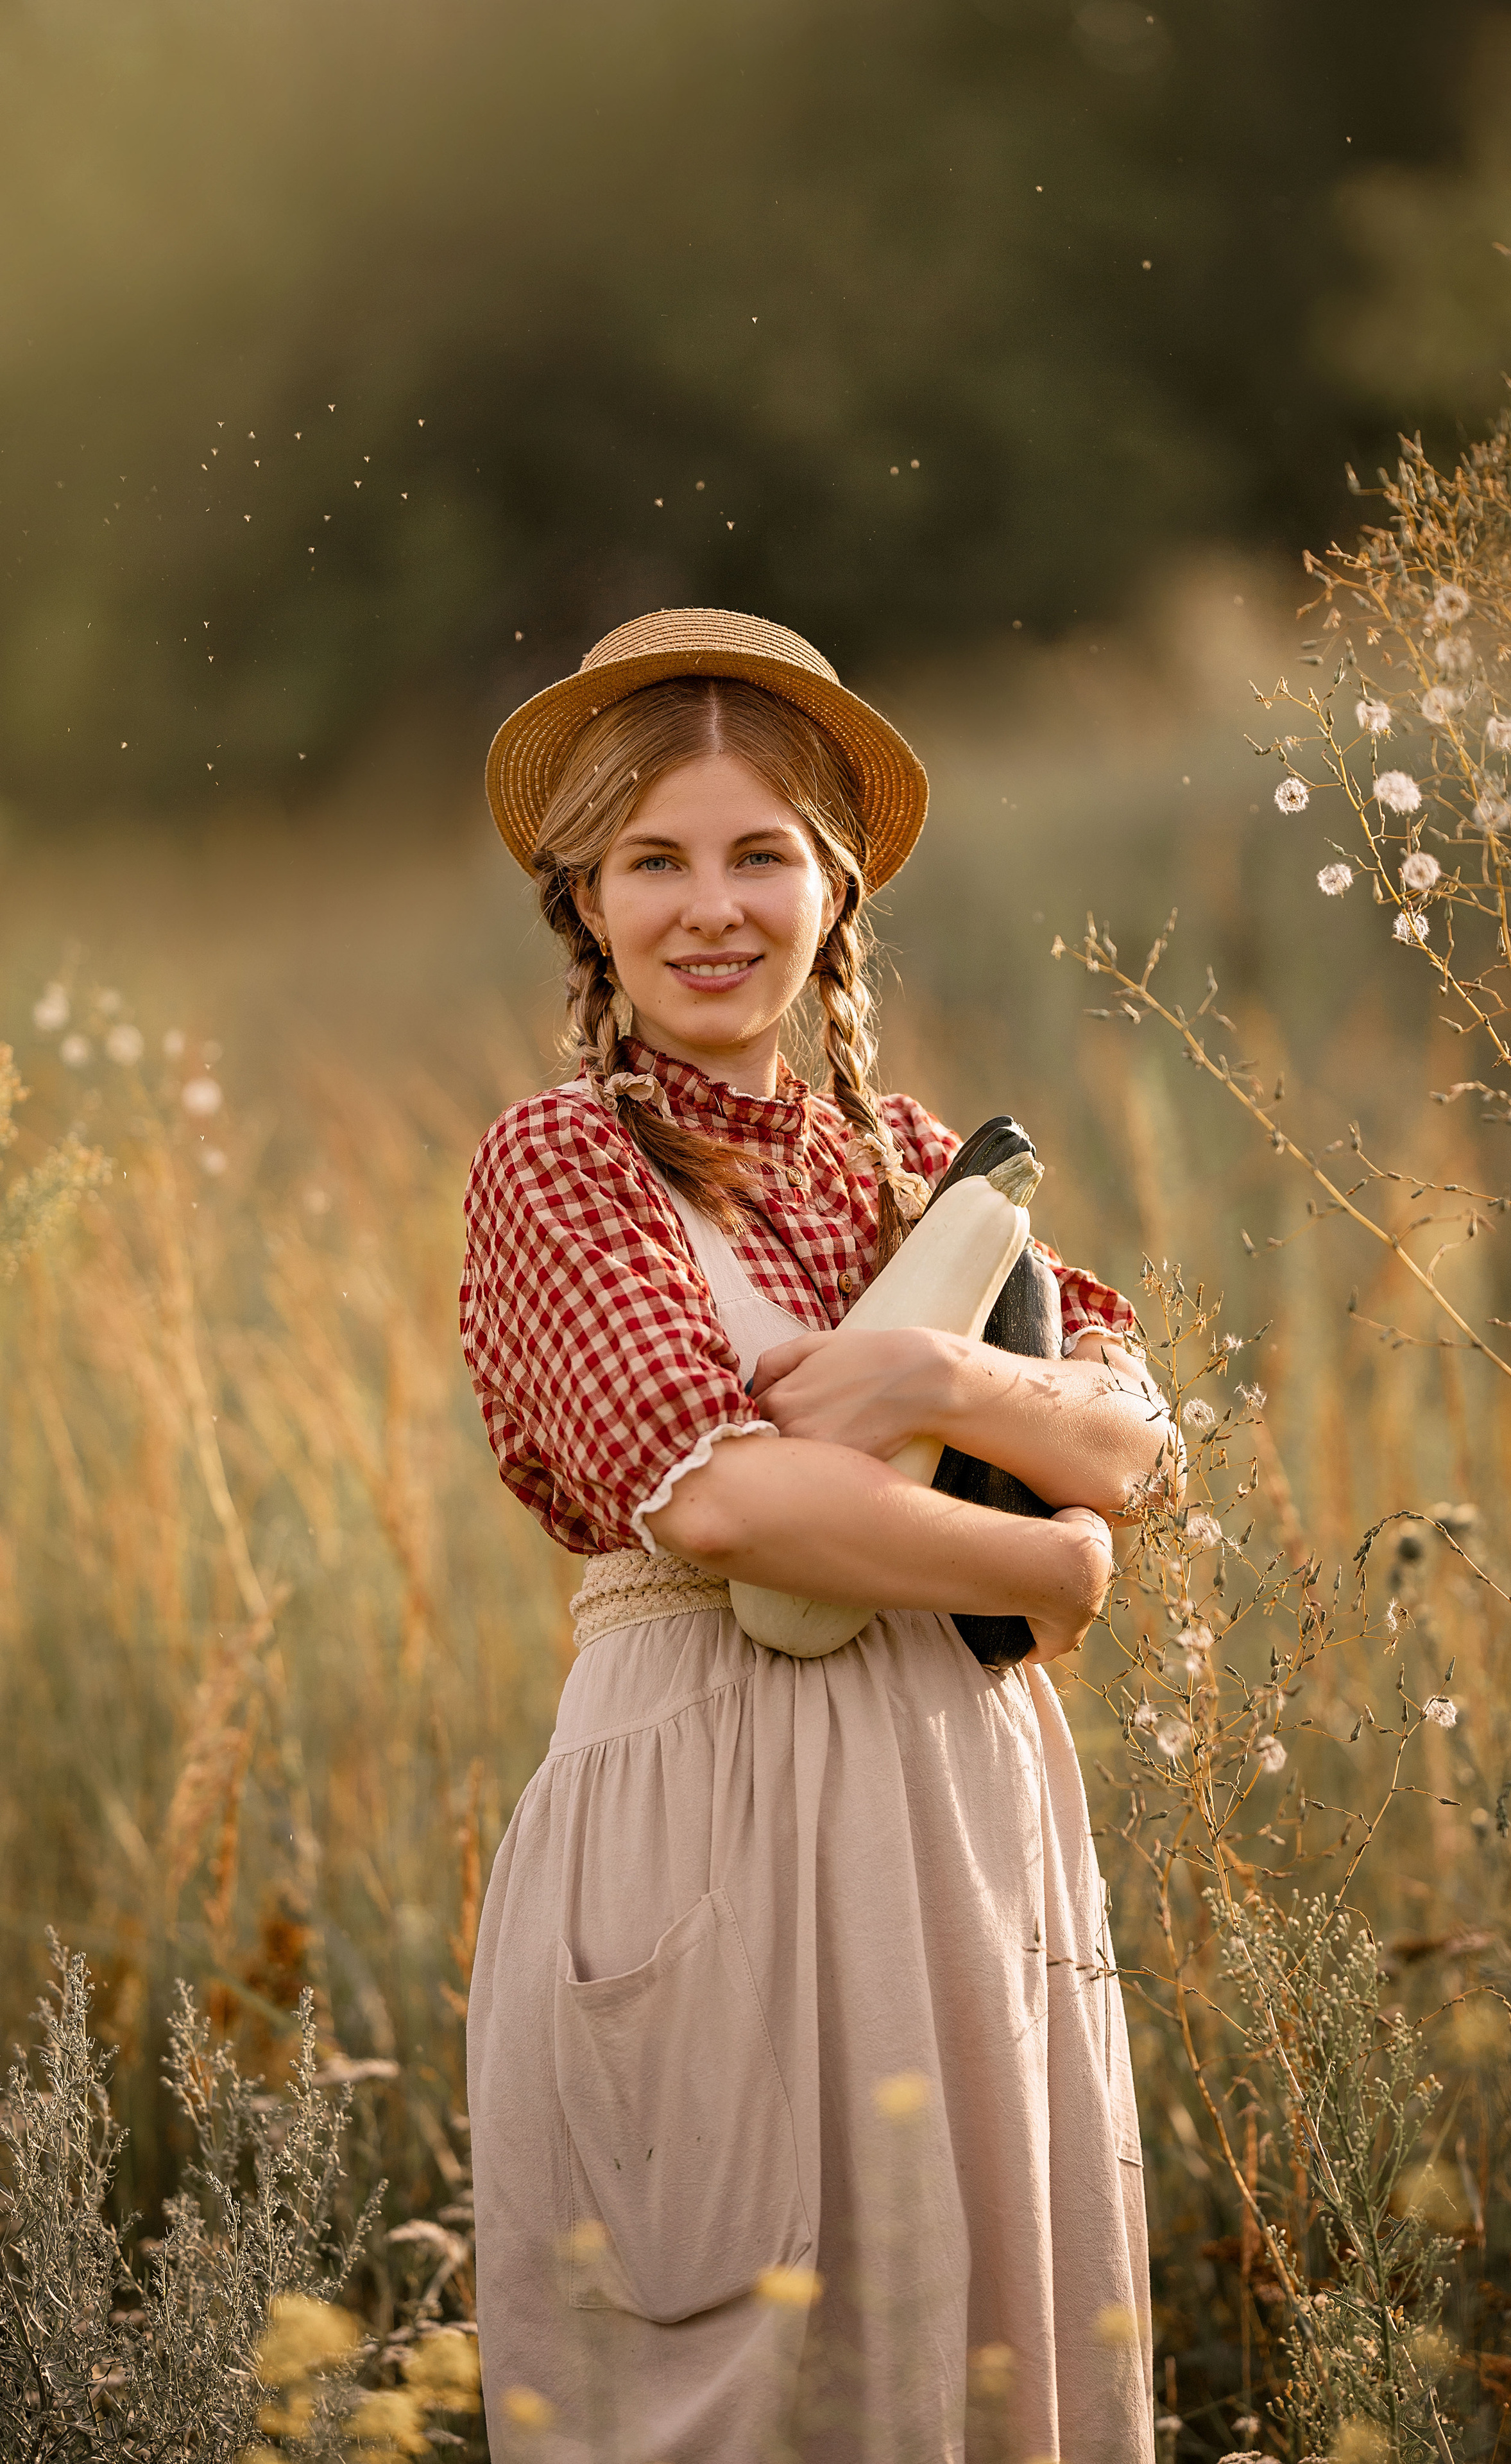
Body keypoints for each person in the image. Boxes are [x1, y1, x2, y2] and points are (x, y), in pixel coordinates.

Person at [461, 608, 1171, 2463]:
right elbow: (722, 1498)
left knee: (988, 2360)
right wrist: (1047, 1568)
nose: (713, 908)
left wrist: (932, 1366)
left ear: (834, 892)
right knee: (729, 2390)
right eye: (654, 861)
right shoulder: (563, 1158)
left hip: (959, 1813)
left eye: (760, 855)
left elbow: (1134, 1431)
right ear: (587, 905)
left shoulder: (918, 1169)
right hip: (708, 1794)